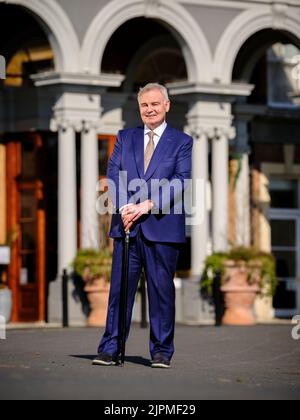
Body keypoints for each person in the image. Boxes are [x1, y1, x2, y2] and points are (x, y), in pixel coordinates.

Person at [93, 83, 193, 369]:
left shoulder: (181, 141)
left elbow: (181, 180)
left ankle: (161, 351)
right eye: (144, 105)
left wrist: (147, 205)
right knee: (119, 290)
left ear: (166, 105)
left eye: (154, 104)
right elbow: (113, 172)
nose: (149, 109)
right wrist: (125, 206)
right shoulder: (125, 137)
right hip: (127, 226)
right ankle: (110, 347)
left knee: (161, 291)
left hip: (162, 227)